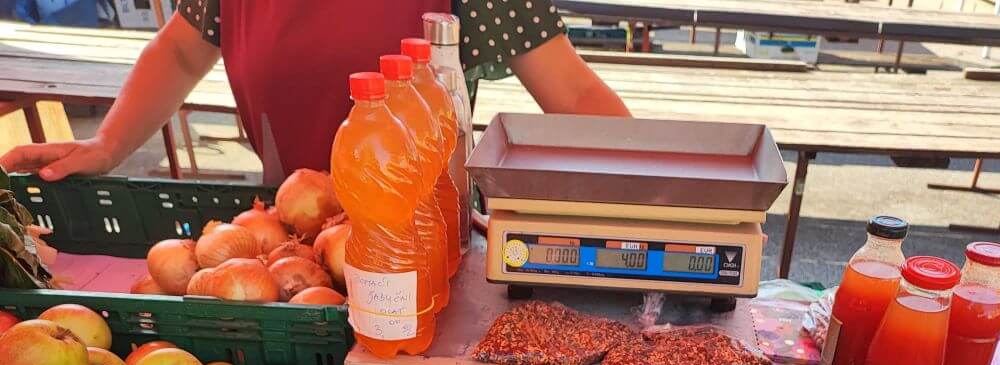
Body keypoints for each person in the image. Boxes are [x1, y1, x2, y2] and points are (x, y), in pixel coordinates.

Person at [0, 0, 629, 183]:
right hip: (286, 237)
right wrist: (108, 143)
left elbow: (572, 94)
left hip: (420, 241)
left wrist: (662, 194)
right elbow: (182, 48)